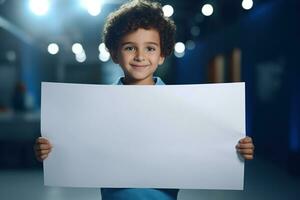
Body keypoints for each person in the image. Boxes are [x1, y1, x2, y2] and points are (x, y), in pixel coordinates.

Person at [34, 0, 255, 199]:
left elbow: (209, 145)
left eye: (150, 48)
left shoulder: (185, 108)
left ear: (162, 55)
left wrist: (235, 149)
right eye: (130, 48)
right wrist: (50, 150)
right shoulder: (96, 107)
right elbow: (73, 146)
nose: (140, 56)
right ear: (114, 53)